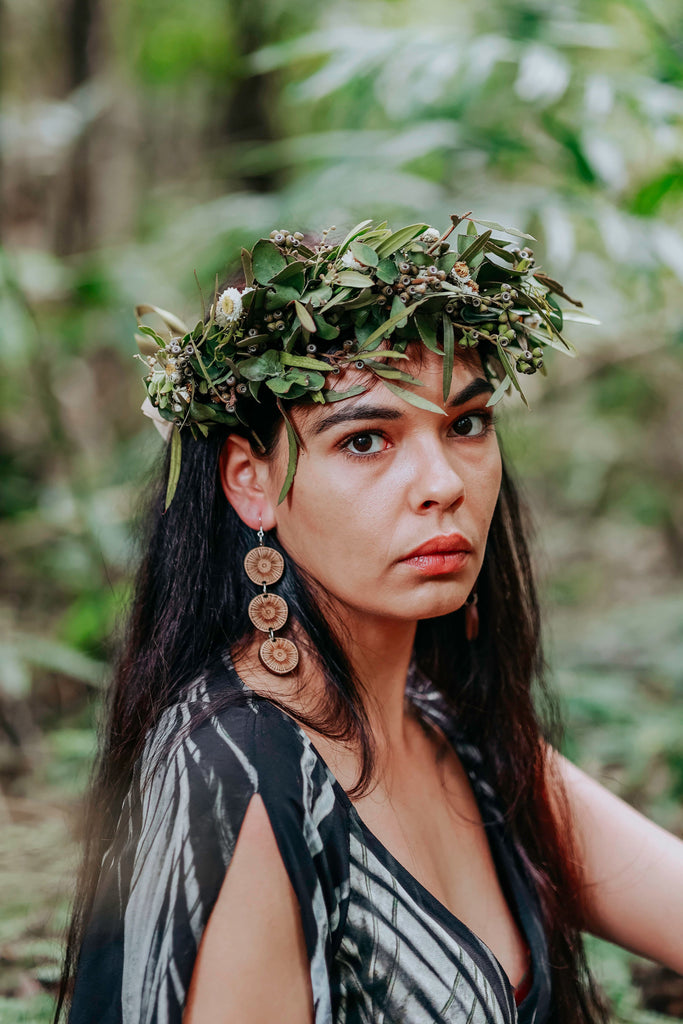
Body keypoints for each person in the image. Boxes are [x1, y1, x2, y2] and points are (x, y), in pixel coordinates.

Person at [55, 217, 683, 1024]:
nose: (442, 483)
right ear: (251, 481)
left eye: (465, 424)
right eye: (364, 440)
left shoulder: (451, 727)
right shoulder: (241, 773)